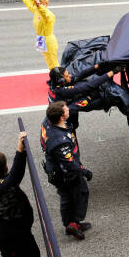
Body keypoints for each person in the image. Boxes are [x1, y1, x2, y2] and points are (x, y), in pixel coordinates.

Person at [40, 101, 93, 240]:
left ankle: (70, 224)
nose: (69, 109)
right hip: (66, 174)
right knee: (79, 194)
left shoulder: (48, 120)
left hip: (56, 170)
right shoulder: (60, 140)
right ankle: (74, 224)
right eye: (66, 110)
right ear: (61, 118)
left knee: (67, 197)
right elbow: (69, 163)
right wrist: (85, 171)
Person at [47, 65, 116, 130]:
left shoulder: (55, 83)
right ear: (61, 80)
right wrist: (111, 73)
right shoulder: (62, 91)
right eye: (67, 76)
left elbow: (79, 75)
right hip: (63, 119)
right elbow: (88, 86)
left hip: (60, 111)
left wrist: (96, 66)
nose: (70, 76)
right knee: (82, 103)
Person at [17, 0, 59, 70]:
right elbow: (29, 4)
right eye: (38, 4)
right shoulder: (37, 10)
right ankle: (54, 77)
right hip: (40, 38)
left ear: (46, 4)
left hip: (48, 40)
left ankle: (59, 80)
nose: (38, 5)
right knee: (48, 61)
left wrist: (39, 6)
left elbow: (44, 13)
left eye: (42, 3)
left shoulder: (49, 15)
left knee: (53, 62)